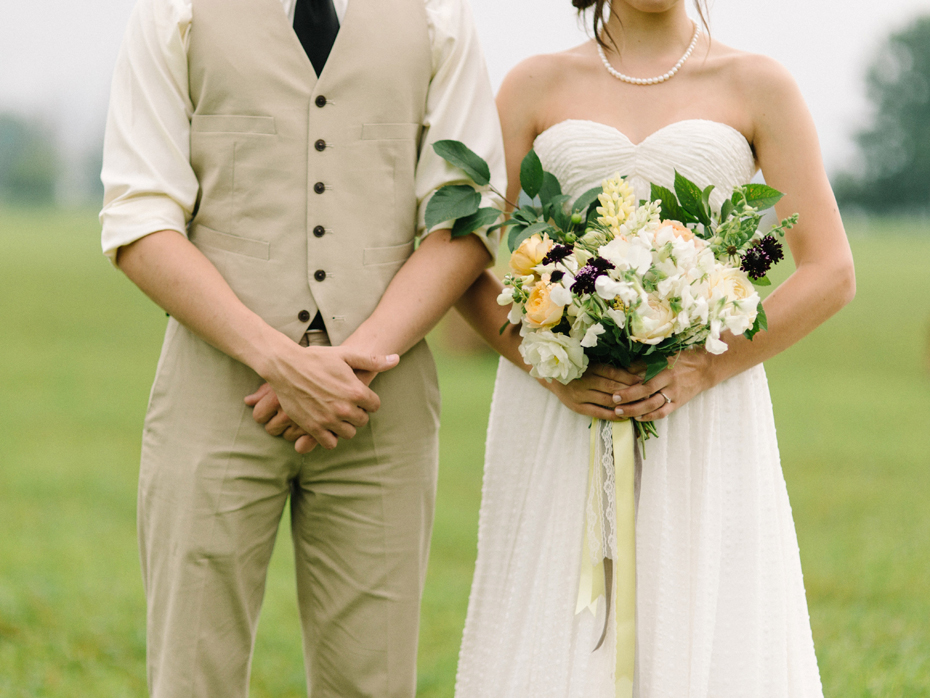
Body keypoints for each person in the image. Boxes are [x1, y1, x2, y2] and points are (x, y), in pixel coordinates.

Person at [449, 0, 856, 696]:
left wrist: (708, 365)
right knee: (554, 618)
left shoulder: (758, 84)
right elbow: (459, 257)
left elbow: (830, 270)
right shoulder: (531, 86)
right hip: (559, 412)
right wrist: (550, 369)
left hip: (701, 410)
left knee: (700, 614)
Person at [99, 0, 505, 695]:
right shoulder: (175, 10)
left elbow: (465, 215)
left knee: (373, 682)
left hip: (381, 401)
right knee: (192, 675)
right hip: (214, 393)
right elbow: (139, 218)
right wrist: (277, 359)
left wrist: (355, 364)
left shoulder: (438, 13)